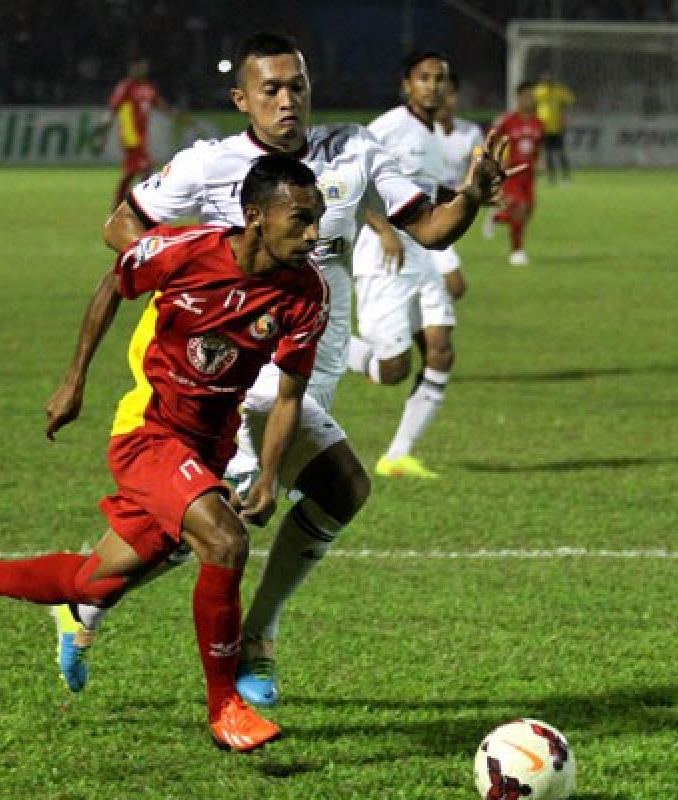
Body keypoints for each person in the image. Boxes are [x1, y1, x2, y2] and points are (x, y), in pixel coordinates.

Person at [43, 33, 511, 706]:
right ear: (243, 100)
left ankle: (86, 602)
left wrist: (472, 195)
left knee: (298, 502)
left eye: (298, 86)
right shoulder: (210, 165)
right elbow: (123, 228)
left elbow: (432, 229)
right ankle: (250, 650)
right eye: (271, 89)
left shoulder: (353, 149)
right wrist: (201, 277)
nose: (288, 100)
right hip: (237, 368)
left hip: (312, 363)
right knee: (239, 508)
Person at [0, 156, 330, 752]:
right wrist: (75, 381)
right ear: (255, 217)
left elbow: (288, 397)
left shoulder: (307, 293)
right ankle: (225, 705)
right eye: (300, 219)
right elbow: (110, 286)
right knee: (225, 542)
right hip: (148, 435)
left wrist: (269, 477)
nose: (312, 234)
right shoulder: (184, 251)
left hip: (206, 449)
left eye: (317, 220)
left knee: (94, 580)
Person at [346, 51, 458, 480]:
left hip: (422, 255)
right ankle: (325, 346)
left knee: (440, 350)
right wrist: (383, 229)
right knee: (392, 369)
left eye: (440, 78)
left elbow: (424, 193)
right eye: (423, 78)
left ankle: (398, 454)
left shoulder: (433, 134)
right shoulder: (390, 126)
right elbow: (352, 177)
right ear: (406, 84)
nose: (433, 85)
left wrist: (469, 196)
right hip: (384, 256)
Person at [431, 70, 484, 301]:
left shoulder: (470, 133)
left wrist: (485, 186)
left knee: (450, 289)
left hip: (449, 215)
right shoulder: (415, 132)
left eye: (449, 93)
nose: (444, 99)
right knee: (455, 286)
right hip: (420, 218)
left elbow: (478, 172)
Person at [97, 57, 173, 209]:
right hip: (130, 135)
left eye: (144, 67)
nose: (142, 70)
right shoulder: (126, 87)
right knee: (146, 167)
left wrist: (173, 113)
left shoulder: (147, 87)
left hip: (141, 136)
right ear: (132, 68)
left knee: (132, 171)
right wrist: (103, 131)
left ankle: (121, 204)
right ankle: (141, 204)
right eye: (139, 67)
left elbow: (157, 102)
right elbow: (113, 108)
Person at [491, 80, 544, 267]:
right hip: (512, 172)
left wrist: (540, 162)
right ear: (519, 98)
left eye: (533, 97)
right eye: (527, 96)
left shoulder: (539, 123)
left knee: (528, 211)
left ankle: (497, 217)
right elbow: (492, 138)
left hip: (529, 175)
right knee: (520, 209)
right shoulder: (508, 120)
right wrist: (498, 160)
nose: (531, 100)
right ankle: (517, 252)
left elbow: (538, 147)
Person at [534, 72, 574, 184]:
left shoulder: (559, 91)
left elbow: (570, 102)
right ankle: (552, 178)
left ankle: (565, 178)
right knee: (548, 154)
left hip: (557, 127)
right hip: (543, 128)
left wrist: (566, 117)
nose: (547, 83)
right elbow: (532, 106)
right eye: (545, 81)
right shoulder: (538, 91)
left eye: (549, 81)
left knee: (561, 153)